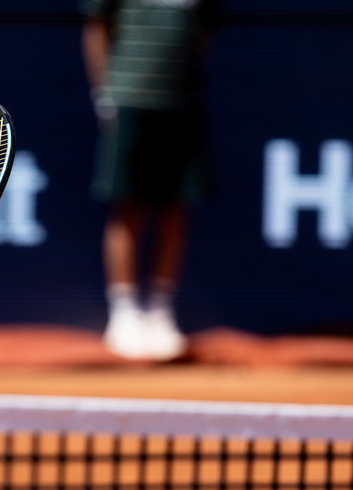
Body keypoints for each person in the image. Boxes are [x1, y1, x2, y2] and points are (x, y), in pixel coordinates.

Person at [81, 0, 221, 361]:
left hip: (184, 106)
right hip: (129, 101)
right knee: (126, 207)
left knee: (176, 208)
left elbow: (202, 36)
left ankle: (160, 313)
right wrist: (104, 95)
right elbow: (97, 27)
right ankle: (124, 313)